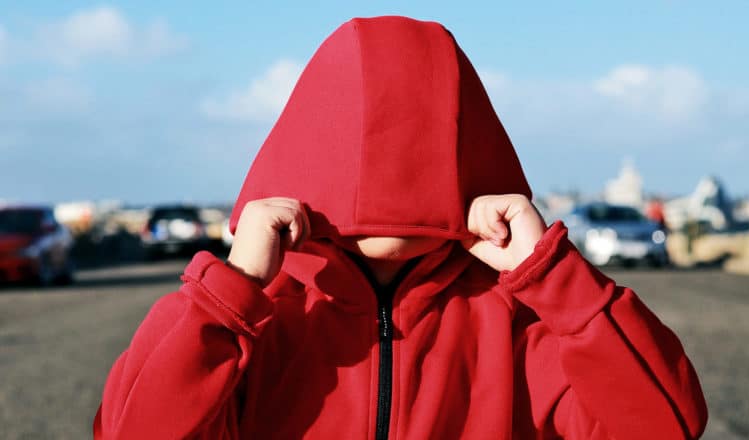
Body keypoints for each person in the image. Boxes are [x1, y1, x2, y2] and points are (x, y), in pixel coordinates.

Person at [93, 16, 708, 439]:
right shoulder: (260, 320)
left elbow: (663, 426)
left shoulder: (523, 325)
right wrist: (229, 293)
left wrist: (556, 282)